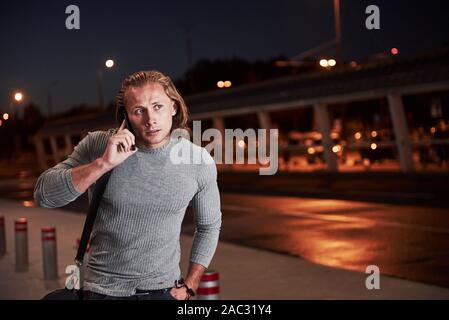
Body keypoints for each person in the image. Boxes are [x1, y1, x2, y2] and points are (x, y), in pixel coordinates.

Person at [34, 70, 222, 300]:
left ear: (174, 107)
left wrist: (190, 285)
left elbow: (209, 226)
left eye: (157, 106)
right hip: (101, 291)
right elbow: (44, 196)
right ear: (126, 116)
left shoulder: (198, 161)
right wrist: (103, 163)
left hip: (163, 291)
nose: (150, 119)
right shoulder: (98, 145)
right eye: (138, 110)